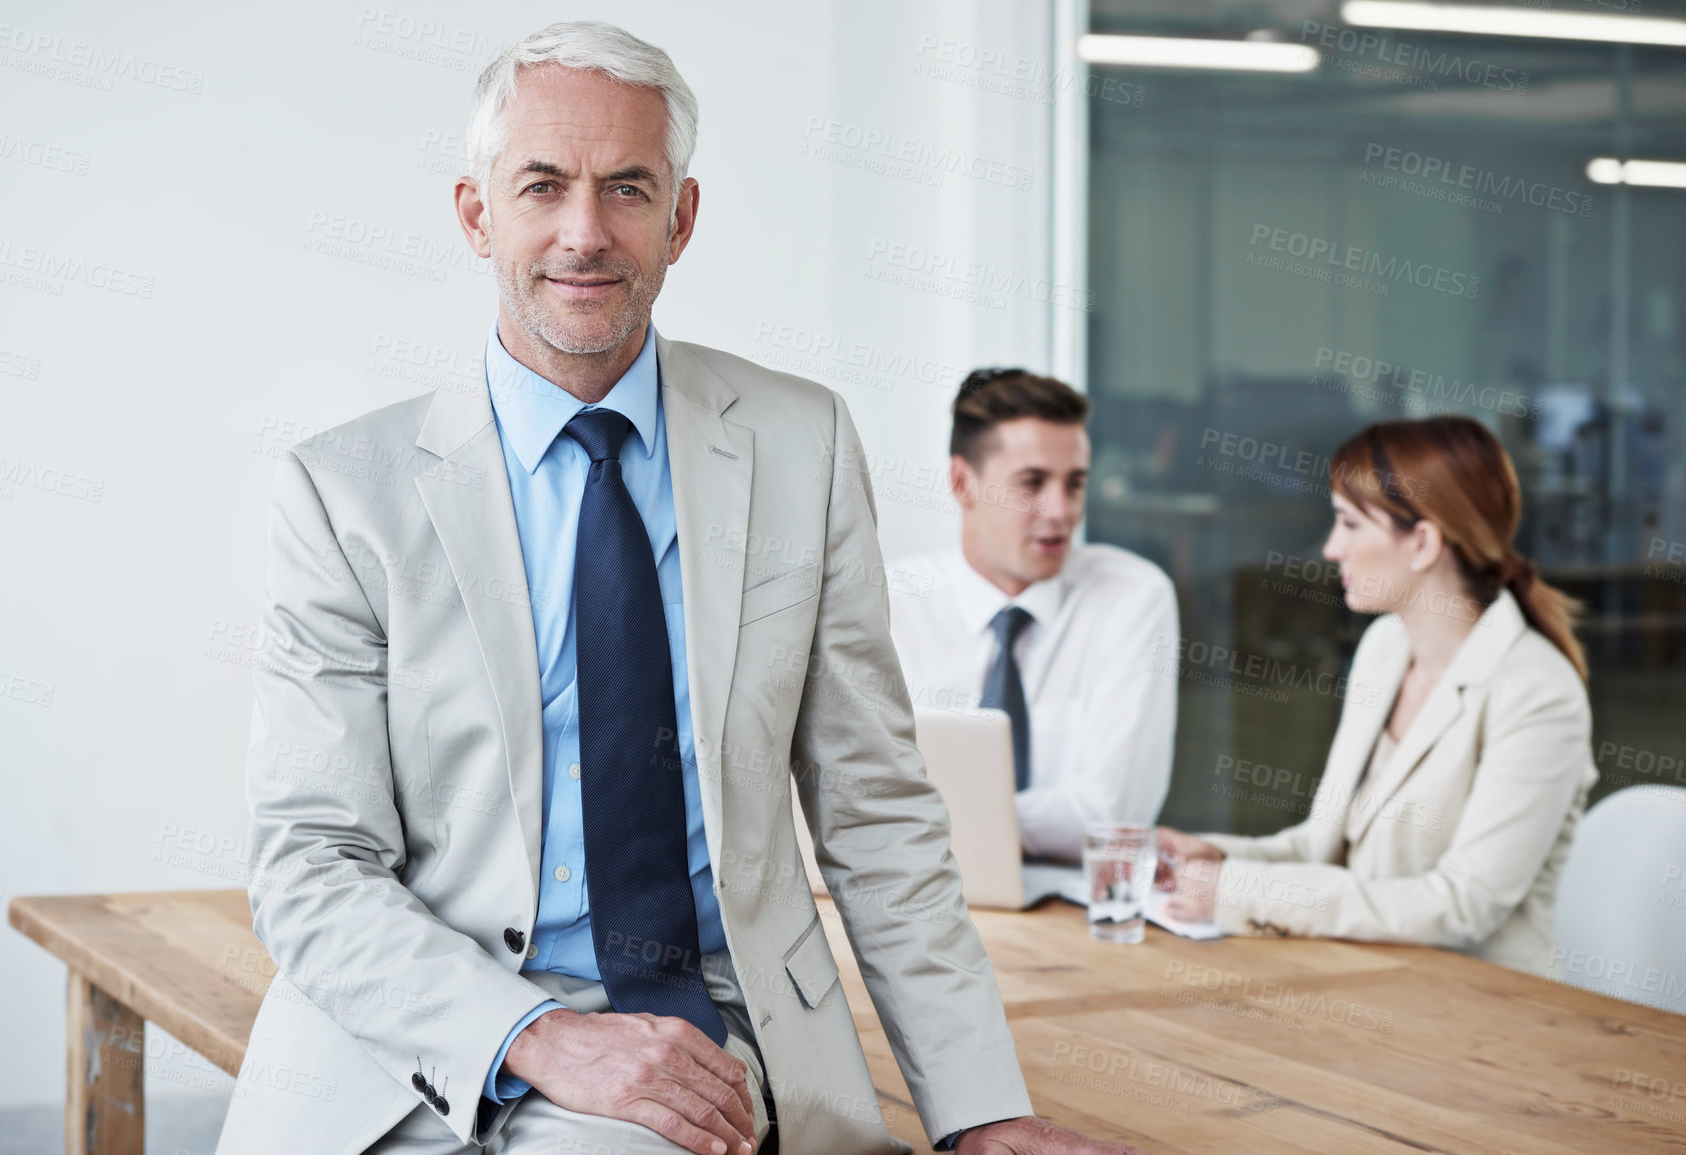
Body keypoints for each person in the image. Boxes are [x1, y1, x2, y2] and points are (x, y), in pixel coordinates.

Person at [214, 22, 1141, 1155]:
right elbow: (311, 858)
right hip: (403, 1039)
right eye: (543, 186)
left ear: (682, 219)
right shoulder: (341, 491)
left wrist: (979, 1108)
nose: (585, 232)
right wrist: (534, 1031)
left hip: (691, 1026)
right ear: (477, 214)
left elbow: (878, 811)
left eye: (628, 188)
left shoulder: (800, 443)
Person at [1158, 417, 1596, 978]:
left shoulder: (1538, 694)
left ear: (1422, 543)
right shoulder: (1385, 648)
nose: (1331, 548)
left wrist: (1239, 891)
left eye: (1349, 524)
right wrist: (1218, 859)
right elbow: (1327, 849)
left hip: (1479, 1014)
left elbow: (1463, 905)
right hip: (1362, 981)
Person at [888, 369, 1179, 861]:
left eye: (1075, 483)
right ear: (963, 482)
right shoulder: (890, 603)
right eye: (1033, 483)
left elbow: (1114, 815)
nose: (1061, 511)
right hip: (916, 898)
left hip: (1067, 908)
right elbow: (851, 798)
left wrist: (929, 820)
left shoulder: (1131, 596)